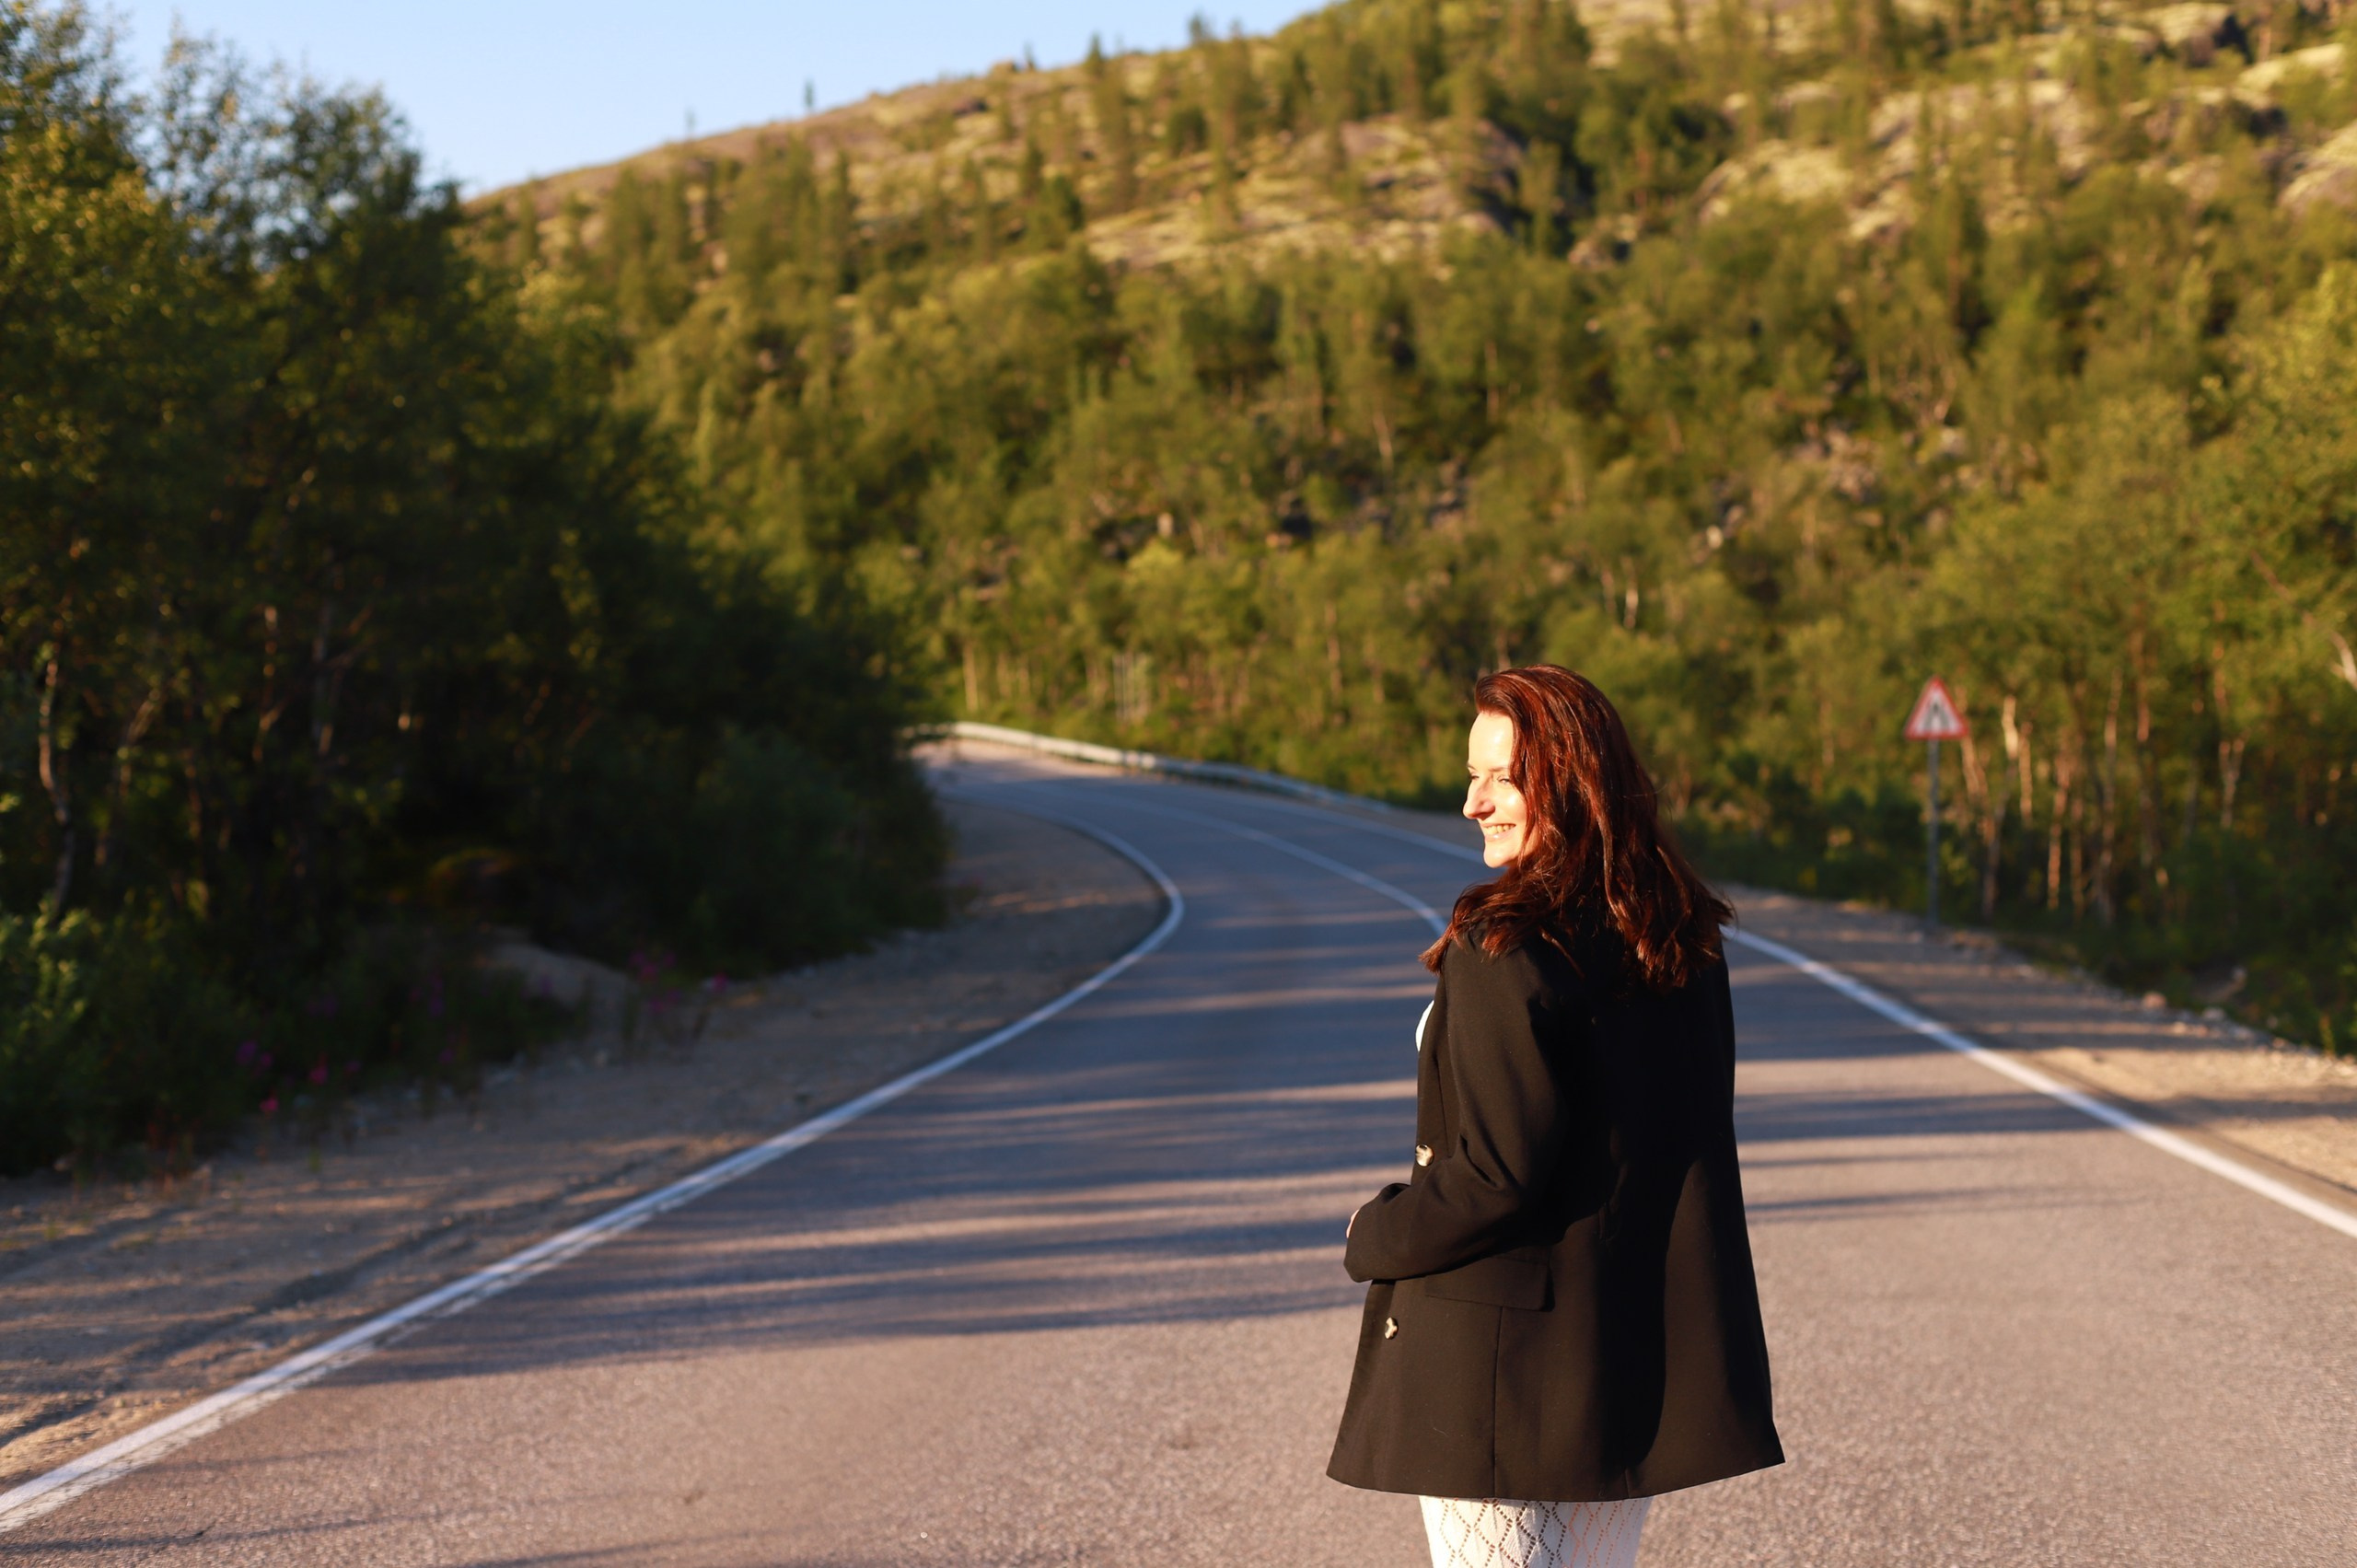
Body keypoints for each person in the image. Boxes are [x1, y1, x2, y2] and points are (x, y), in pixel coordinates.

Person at [1329, 665, 1783, 1568]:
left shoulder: (1502, 940)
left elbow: (1492, 1175)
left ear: (1568, 779)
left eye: (1499, 776)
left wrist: (1372, 1233)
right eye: (1472, 775)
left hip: (1493, 1374)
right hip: (1613, 1356)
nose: (1472, 801)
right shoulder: (1679, 937)